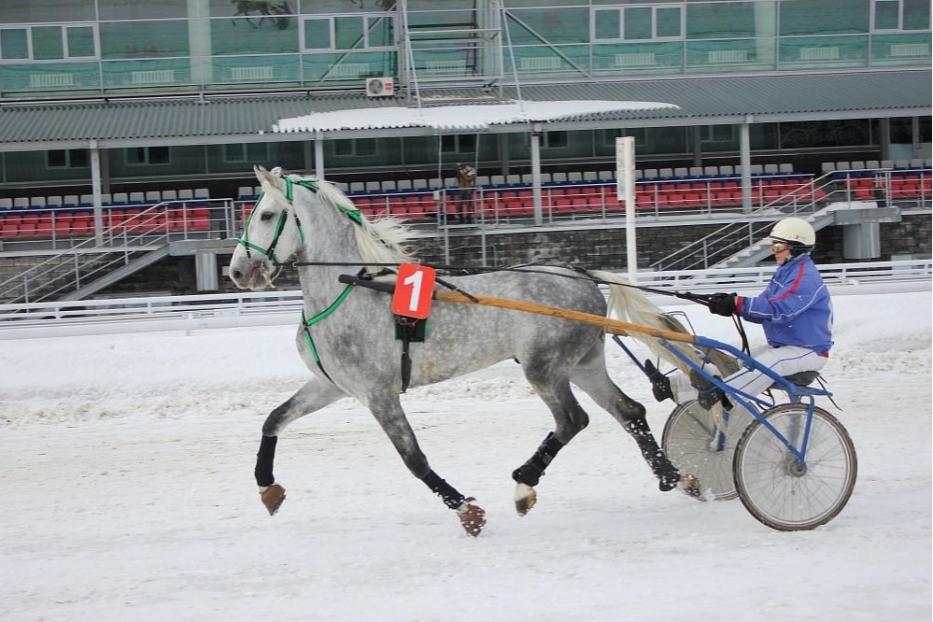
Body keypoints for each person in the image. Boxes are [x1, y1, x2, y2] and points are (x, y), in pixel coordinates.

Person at [645, 217, 833, 409]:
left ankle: (724, 395)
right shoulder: (786, 272)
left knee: (768, 364)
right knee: (739, 364)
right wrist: (731, 305)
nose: (772, 251)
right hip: (784, 346)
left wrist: (738, 303)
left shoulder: (805, 277)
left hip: (808, 351)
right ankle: (672, 386)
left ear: (796, 247)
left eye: (777, 246)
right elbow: (763, 307)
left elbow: (779, 311)